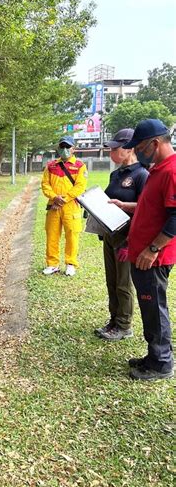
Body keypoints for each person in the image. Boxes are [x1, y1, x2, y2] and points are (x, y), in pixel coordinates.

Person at [122, 119, 175, 381]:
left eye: (140, 147)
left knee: (154, 308)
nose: (137, 152)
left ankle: (161, 362)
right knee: (150, 307)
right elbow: (151, 209)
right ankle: (155, 354)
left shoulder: (171, 171)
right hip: (143, 254)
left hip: (152, 258)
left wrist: (152, 249)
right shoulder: (158, 170)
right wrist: (125, 205)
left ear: (155, 143)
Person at [94, 128, 149, 341]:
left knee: (123, 282)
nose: (111, 153)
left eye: (115, 149)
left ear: (129, 149)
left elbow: (146, 208)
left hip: (128, 237)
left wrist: (130, 241)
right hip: (110, 234)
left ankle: (124, 324)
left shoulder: (141, 175)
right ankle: (114, 319)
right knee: (111, 279)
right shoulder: (115, 174)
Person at [41, 136, 88, 276]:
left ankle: (70, 264)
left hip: (71, 206)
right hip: (53, 206)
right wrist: (54, 197)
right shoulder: (51, 166)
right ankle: (52, 264)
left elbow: (80, 186)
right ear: (58, 149)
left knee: (72, 235)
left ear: (73, 149)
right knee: (52, 235)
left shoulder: (80, 166)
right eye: (62, 147)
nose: (65, 150)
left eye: (68, 147)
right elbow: (45, 184)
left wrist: (64, 199)